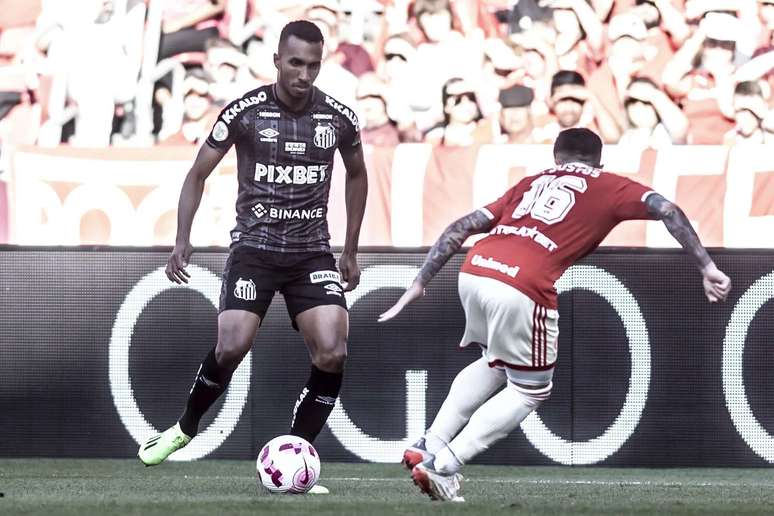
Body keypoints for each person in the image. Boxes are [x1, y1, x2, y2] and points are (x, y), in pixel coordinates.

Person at [378, 128, 731, 502]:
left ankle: (430, 443)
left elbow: (461, 227)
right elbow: (667, 209)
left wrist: (421, 280)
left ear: (556, 158)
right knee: (529, 391)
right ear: (599, 161)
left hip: (475, 268)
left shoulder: (532, 182)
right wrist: (707, 266)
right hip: (523, 281)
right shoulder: (610, 184)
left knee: (496, 362)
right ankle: (443, 466)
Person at [137, 21, 369, 492]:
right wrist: (182, 239)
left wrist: (350, 248)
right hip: (254, 250)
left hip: (311, 253)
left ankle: (296, 451)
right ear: (277, 61)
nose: (304, 74)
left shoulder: (338, 119)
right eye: (296, 63)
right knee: (231, 346)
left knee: (333, 351)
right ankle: (185, 427)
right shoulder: (245, 112)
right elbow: (197, 174)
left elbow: (358, 174)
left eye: (313, 65)